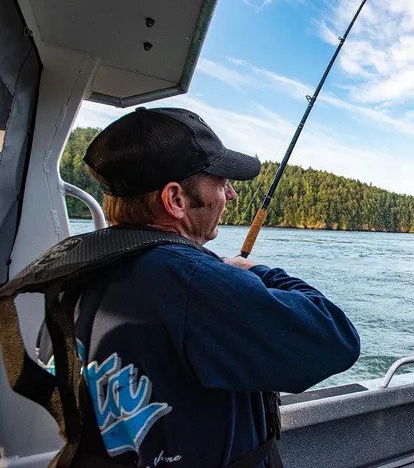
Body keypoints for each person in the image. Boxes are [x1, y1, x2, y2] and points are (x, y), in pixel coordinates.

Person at [32, 107, 361, 467]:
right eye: (221, 183)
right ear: (175, 200)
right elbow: (336, 339)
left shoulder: (74, 270)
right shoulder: (194, 284)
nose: (231, 195)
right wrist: (258, 272)